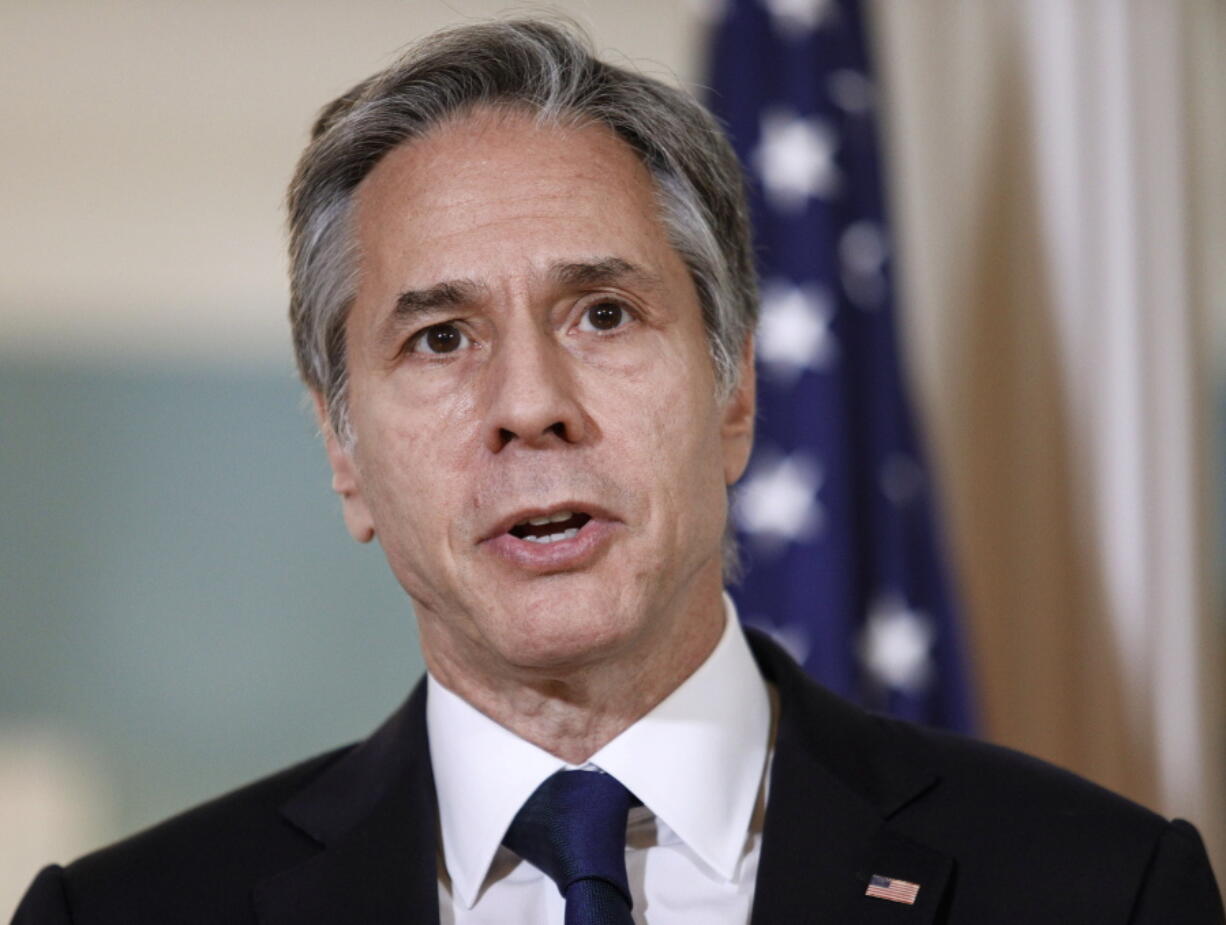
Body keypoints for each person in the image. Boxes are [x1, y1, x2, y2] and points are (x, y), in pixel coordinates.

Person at [13, 18, 1223, 925]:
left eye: (600, 313)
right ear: (343, 451)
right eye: (439, 338)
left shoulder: (1094, 888)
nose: (530, 406)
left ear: (734, 391)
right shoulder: (123, 916)